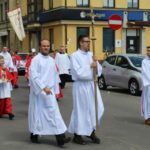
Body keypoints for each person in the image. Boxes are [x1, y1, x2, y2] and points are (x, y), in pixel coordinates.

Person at [28, 40, 70, 146]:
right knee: (38, 115)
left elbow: (55, 76)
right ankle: (34, 134)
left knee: (54, 114)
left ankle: (61, 139)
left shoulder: (52, 60)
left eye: (47, 46)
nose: (46, 47)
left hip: (49, 92)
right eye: (44, 46)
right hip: (39, 93)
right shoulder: (36, 60)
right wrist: (43, 87)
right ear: (40, 47)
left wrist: (56, 91)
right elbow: (33, 75)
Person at [68, 35, 104, 145]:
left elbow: (99, 71)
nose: (88, 43)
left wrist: (96, 64)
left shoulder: (91, 55)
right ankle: (77, 135)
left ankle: (90, 131)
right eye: (86, 41)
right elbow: (77, 73)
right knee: (81, 110)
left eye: (89, 42)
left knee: (96, 108)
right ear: (80, 43)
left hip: (91, 85)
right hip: (81, 86)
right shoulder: (75, 56)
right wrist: (89, 66)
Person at [0, 55, 15, 120]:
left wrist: (8, 80)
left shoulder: (5, 68)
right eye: (1, 61)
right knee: (2, 101)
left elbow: (9, 76)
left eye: (3, 61)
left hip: (6, 87)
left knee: (8, 100)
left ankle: (9, 113)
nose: (2, 62)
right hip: (0, 87)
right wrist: (2, 80)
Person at [141, 46, 150, 125]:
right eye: (147, 50)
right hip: (148, 85)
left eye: (149, 51)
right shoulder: (144, 61)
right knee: (147, 101)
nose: (148, 52)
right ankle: (147, 118)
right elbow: (145, 72)